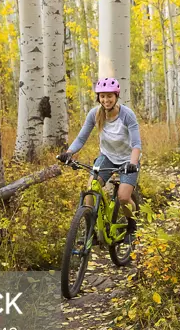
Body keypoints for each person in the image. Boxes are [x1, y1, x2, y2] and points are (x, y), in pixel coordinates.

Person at [59, 78, 142, 236]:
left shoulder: (127, 115)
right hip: (108, 156)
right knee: (91, 189)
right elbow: (81, 138)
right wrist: (69, 153)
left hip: (128, 159)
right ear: (98, 98)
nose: (106, 100)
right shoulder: (95, 114)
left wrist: (132, 163)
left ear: (116, 96)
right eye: (102, 96)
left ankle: (132, 223)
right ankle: (90, 228)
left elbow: (136, 145)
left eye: (109, 96)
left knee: (124, 197)